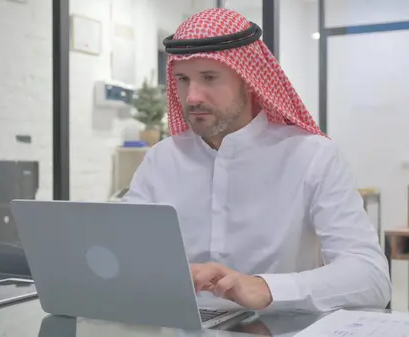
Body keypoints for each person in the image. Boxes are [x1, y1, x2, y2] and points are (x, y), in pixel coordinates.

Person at [122, 8, 391, 313]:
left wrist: (267, 288)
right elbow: (123, 254)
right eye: (182, 80)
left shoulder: (313, 156)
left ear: (249, 80)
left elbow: (371, 278)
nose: (192, 96)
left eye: (210, 78)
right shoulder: (161, 159)